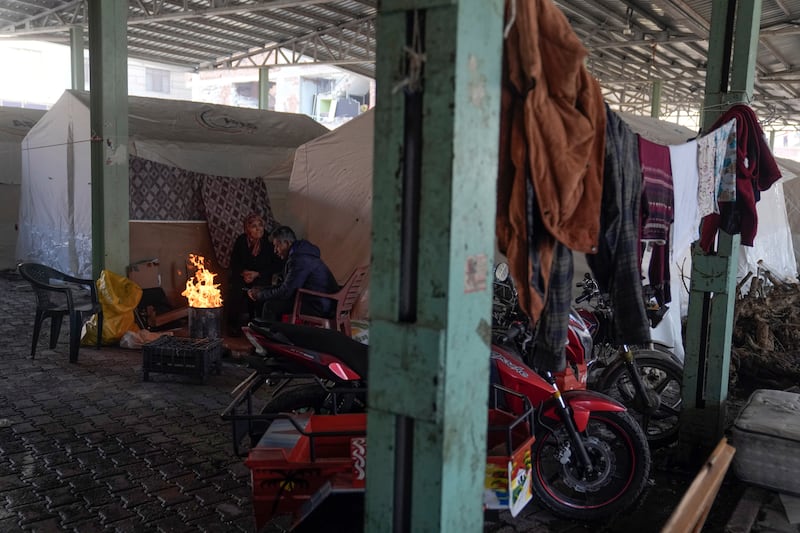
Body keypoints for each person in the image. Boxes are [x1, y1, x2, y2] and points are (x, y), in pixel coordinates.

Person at [247, 225, 339, 321]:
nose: (275, 250)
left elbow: (286, 292)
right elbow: (286, 286)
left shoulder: (299, 260)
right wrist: (262, 289)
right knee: (271, 301)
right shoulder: (302, 254)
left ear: (286, 243)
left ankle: (270, 335)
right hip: (323, 302)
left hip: (319, 305)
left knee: (270, 306)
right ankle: (276, 333)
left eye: (277, 246)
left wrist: (260, 295)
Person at [225, 214, 284, 335]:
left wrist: (257, 274)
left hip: (263, 276)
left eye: (260, 225)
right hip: (244, 276)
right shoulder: (241, 240)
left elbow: (278, 264)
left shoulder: (269, 241)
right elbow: (234, 262)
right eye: (254, 226)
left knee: (259, 290)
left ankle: (257, 326)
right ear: (247, 229)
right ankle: (232, 326)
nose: (258, 229)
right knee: (236, 290)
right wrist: (244, 273)